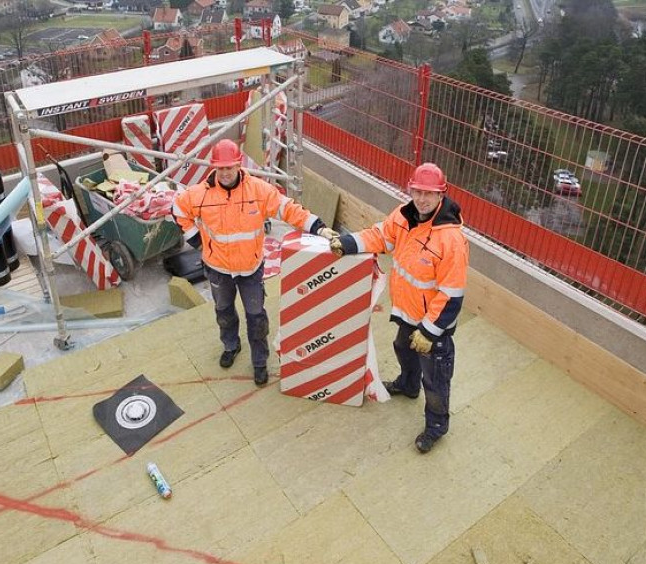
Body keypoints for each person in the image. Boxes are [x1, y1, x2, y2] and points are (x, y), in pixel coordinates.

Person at [173, 139, 338, 386]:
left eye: (230, 167)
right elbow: (178, 208)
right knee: (224, 313)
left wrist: (320, 228)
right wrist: (197, 240)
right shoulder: (200, 194)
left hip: (250, 271)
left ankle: (260, 362)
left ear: (239, 165)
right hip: (217, 270)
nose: (225, 173)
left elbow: (289, 210)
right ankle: (231, 346)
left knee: (256, 317)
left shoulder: (259, 191)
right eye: (220, 168)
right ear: (214, 168)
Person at [330, 163, 468, 453]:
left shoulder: (451, 239)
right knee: (403, 349)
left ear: (441, 195)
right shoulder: (405, 216)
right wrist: (348, 242)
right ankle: (407, 385)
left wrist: (430, 332)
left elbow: (451, 294)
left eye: (428, 194)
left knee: (436, 379)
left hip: (433, 327)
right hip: (408, 313)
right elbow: (380, 236)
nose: (421, 199)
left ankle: (436, 426)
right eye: (417, 191)